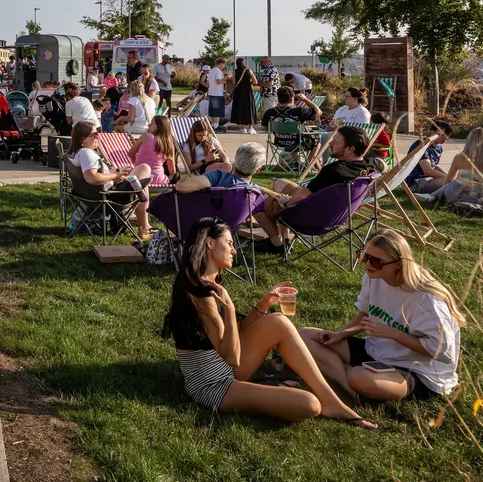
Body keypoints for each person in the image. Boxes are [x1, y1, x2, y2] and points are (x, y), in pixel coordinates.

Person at [161, 217, 375, 427]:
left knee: (278, 321)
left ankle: (331, 401)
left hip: (223, 365)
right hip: (213, 385)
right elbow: (233, 356)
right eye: (229, 243)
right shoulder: (201, 294)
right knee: (309, 405)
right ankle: (278, 388)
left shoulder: (207, 281)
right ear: (209, 243)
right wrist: (230, 309)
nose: (234, 250)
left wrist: (262, 306)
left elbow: (233, 333)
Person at [302, 230, 462, 402]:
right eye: (364, 256)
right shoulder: (374, 277)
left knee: (361, 378)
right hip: (377, 352)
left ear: (399, 264)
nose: (368, 264)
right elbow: (364, 314)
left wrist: (393, 333)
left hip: (417, 371)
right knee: (304, 336)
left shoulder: (427, 300)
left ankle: (340, 374)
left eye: (377, 261)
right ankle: (346, 382)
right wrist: (340, 334)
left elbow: (437, 350)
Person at [259, 126, 374, 250]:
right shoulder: (369, 167)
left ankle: (277, 242)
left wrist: (286, 203)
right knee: (280, 183)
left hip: (307, 219)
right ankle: (284, 237)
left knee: (251, 193)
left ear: (350, 149)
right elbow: (382, 165)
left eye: (335, 142)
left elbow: (303, 195)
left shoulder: (334, 170)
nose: (330, 143)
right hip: (332, 217)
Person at [429, 126, 483, 211]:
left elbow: (448, 180)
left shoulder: (459, 157)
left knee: (449, 185)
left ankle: (432, 196)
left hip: (452, 194)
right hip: (475, 198)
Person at [177, 142, 266, 194]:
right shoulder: (253, 193)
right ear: (257, 170)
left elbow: (180, 186)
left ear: (235, 158)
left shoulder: (217, 175)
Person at [405, 119, 452, 193]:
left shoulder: (439, 147)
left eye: (447, 135)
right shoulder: (421, 145)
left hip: (427, 180)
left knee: (454, 179)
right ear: (432, 132)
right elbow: (428, 171)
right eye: (442, 134)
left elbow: (434, 166)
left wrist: (449, 175)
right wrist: (449, 178)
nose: (445, 138)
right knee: (448, 181)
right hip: (415, 183)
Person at [227, 57, 260, 134]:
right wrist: (249, 81)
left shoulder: (235, 72)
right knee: (249, 108)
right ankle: (251, 128)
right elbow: (255, 82)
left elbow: (234, 83)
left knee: (240, 109)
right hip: (248, 91)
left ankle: (243, 128)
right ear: (244, 63)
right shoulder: (249, 71)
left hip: (239, 92)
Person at [206, 58, 227, 129]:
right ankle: (216, 126)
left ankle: (212, 125)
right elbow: (218, 81)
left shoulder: (211, 70)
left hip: (211, 93)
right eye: (224, 65)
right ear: (221, 63)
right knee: (217, 112)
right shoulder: (218, 71)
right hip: (217, 94)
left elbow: (208, 82)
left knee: (213, 111)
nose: (224, 67)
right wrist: (225, 78)